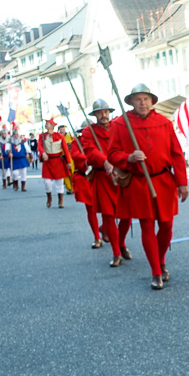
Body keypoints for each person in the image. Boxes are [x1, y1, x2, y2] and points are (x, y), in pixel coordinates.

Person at [106, 84, 188, 289]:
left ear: (152, 101)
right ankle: (156, 271)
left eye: (146, 99)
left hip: (163, 182)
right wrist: (129, 157)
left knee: (167, 225)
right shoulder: (120, 124)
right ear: (131, 102)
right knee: (147, 225)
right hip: (139, 183)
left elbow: (176, 154)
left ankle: (161, 260)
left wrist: (182, 183)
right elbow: (112, 154)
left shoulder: (164, 123)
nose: (142, 103)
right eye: (138, 99)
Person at [81, 99, 132, 267]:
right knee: (109, 216)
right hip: (103, 177)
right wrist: (104, 162)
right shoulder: (89, 132)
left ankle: (122, 243)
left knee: (127, 216)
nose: (104, 115)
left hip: (121, 174)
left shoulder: (118, 126)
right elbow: (90, 150)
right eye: (100, 112)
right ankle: (116, 252)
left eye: (106, 112)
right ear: (95, 115)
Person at [66, 124, 100, 247]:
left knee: (111, 208)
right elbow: (74, 154)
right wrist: (86, 159)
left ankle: (106, 228)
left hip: (101, 176)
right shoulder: (76, 142)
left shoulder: (98, 138)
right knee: (91, 209)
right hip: (85, 176)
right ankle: (97, 237)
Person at [38, 119, 68, 208]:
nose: (46, 125)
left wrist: (68, 162)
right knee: (47, 182)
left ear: (52, 126)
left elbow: (65, 149)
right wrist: (43, 153)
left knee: (59, 182)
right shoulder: (42, 136)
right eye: (46, 124)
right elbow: (39, 145)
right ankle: (49, 198)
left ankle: (60, 200)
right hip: (47, 161)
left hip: (57, 161)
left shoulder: (59, 136)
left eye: (47, 124)